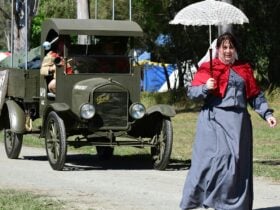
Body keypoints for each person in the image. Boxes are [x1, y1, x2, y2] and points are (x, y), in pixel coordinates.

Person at [180, 32, 277, 210]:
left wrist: (267, 114)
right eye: (224, 47)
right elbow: (192, 93)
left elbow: (255, 96)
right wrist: (205, 87)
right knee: (219, 160)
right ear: (217, 49)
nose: (227, 51)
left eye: (231, 47)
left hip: (239, 124)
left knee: (237, 164)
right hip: (214, 121)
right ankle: (208, 200)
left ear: (235, 50)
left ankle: (233, 206)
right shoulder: (208, 68)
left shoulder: (244, 69)